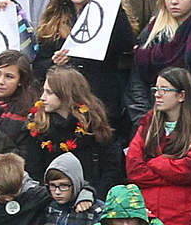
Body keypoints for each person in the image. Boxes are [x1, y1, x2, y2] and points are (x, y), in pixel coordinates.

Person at [33, 0, 135, 119]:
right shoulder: (53, 18)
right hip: (63, 105)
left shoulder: (109, 13)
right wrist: (54, 62)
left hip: (101, 100)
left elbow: (126, 44)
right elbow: (37, 67)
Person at [125, 67, 191, 225]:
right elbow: (134, 169)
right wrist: (171, 171)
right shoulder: (147, 126)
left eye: (164, 89)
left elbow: (189, 170)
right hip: (149, 215)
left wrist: (155, 163)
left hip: (184, 217)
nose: (157, 94)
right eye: (156, 89)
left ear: (181, 95)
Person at [24, 67, 121, 197]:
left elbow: (111, 169)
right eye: (43, 91)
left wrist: (92, 194)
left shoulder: (94, 123)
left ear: (66, 94)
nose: (42, 97)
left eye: (49, 92)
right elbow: (34, 171)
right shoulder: (38, 126)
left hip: (93, 197)